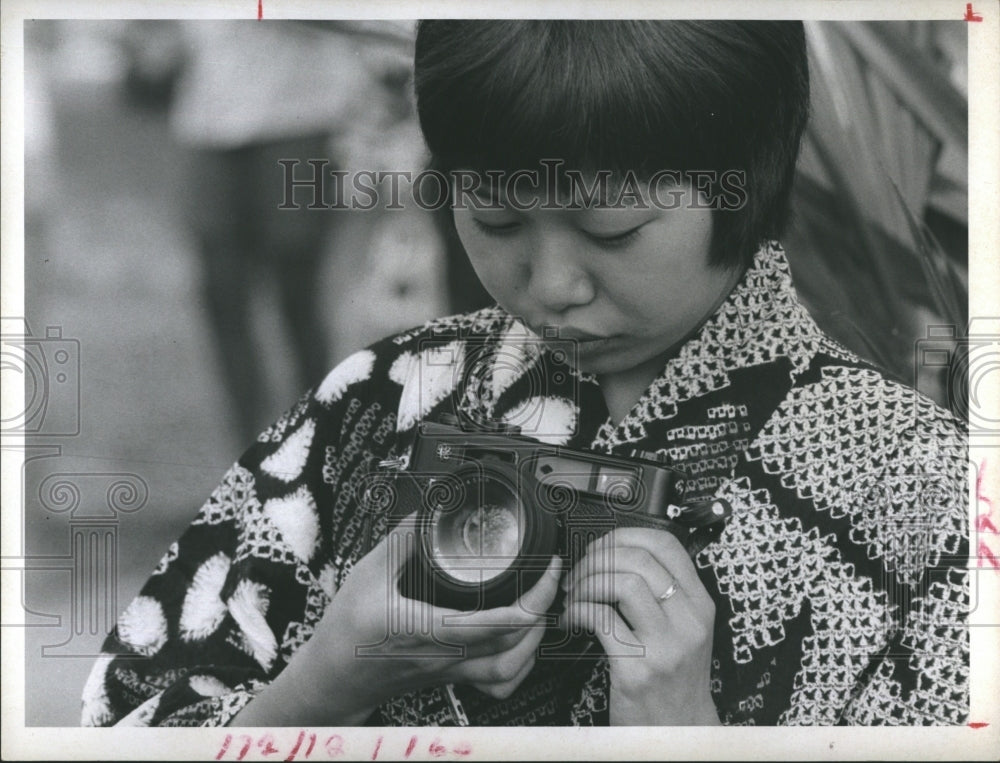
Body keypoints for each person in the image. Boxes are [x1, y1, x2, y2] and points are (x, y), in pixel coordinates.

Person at [81, 20, 969, 727]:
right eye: (496, 221)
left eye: (612, 232)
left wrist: (683, 732)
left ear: (749, 177)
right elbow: (117, 716)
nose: (550, 288)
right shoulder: (383, 397)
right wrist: (319, 686)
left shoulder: (922, 487)